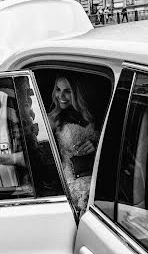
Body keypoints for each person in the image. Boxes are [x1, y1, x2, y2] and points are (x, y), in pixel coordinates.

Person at [47, 74, 100, 215]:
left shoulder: (92, 115)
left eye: (68, 91)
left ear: (77, 93)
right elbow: (44, 154)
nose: (61, 95)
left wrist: (96, 145)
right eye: (58, 89)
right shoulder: (52, 119)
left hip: (96, 179)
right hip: (70, 182)